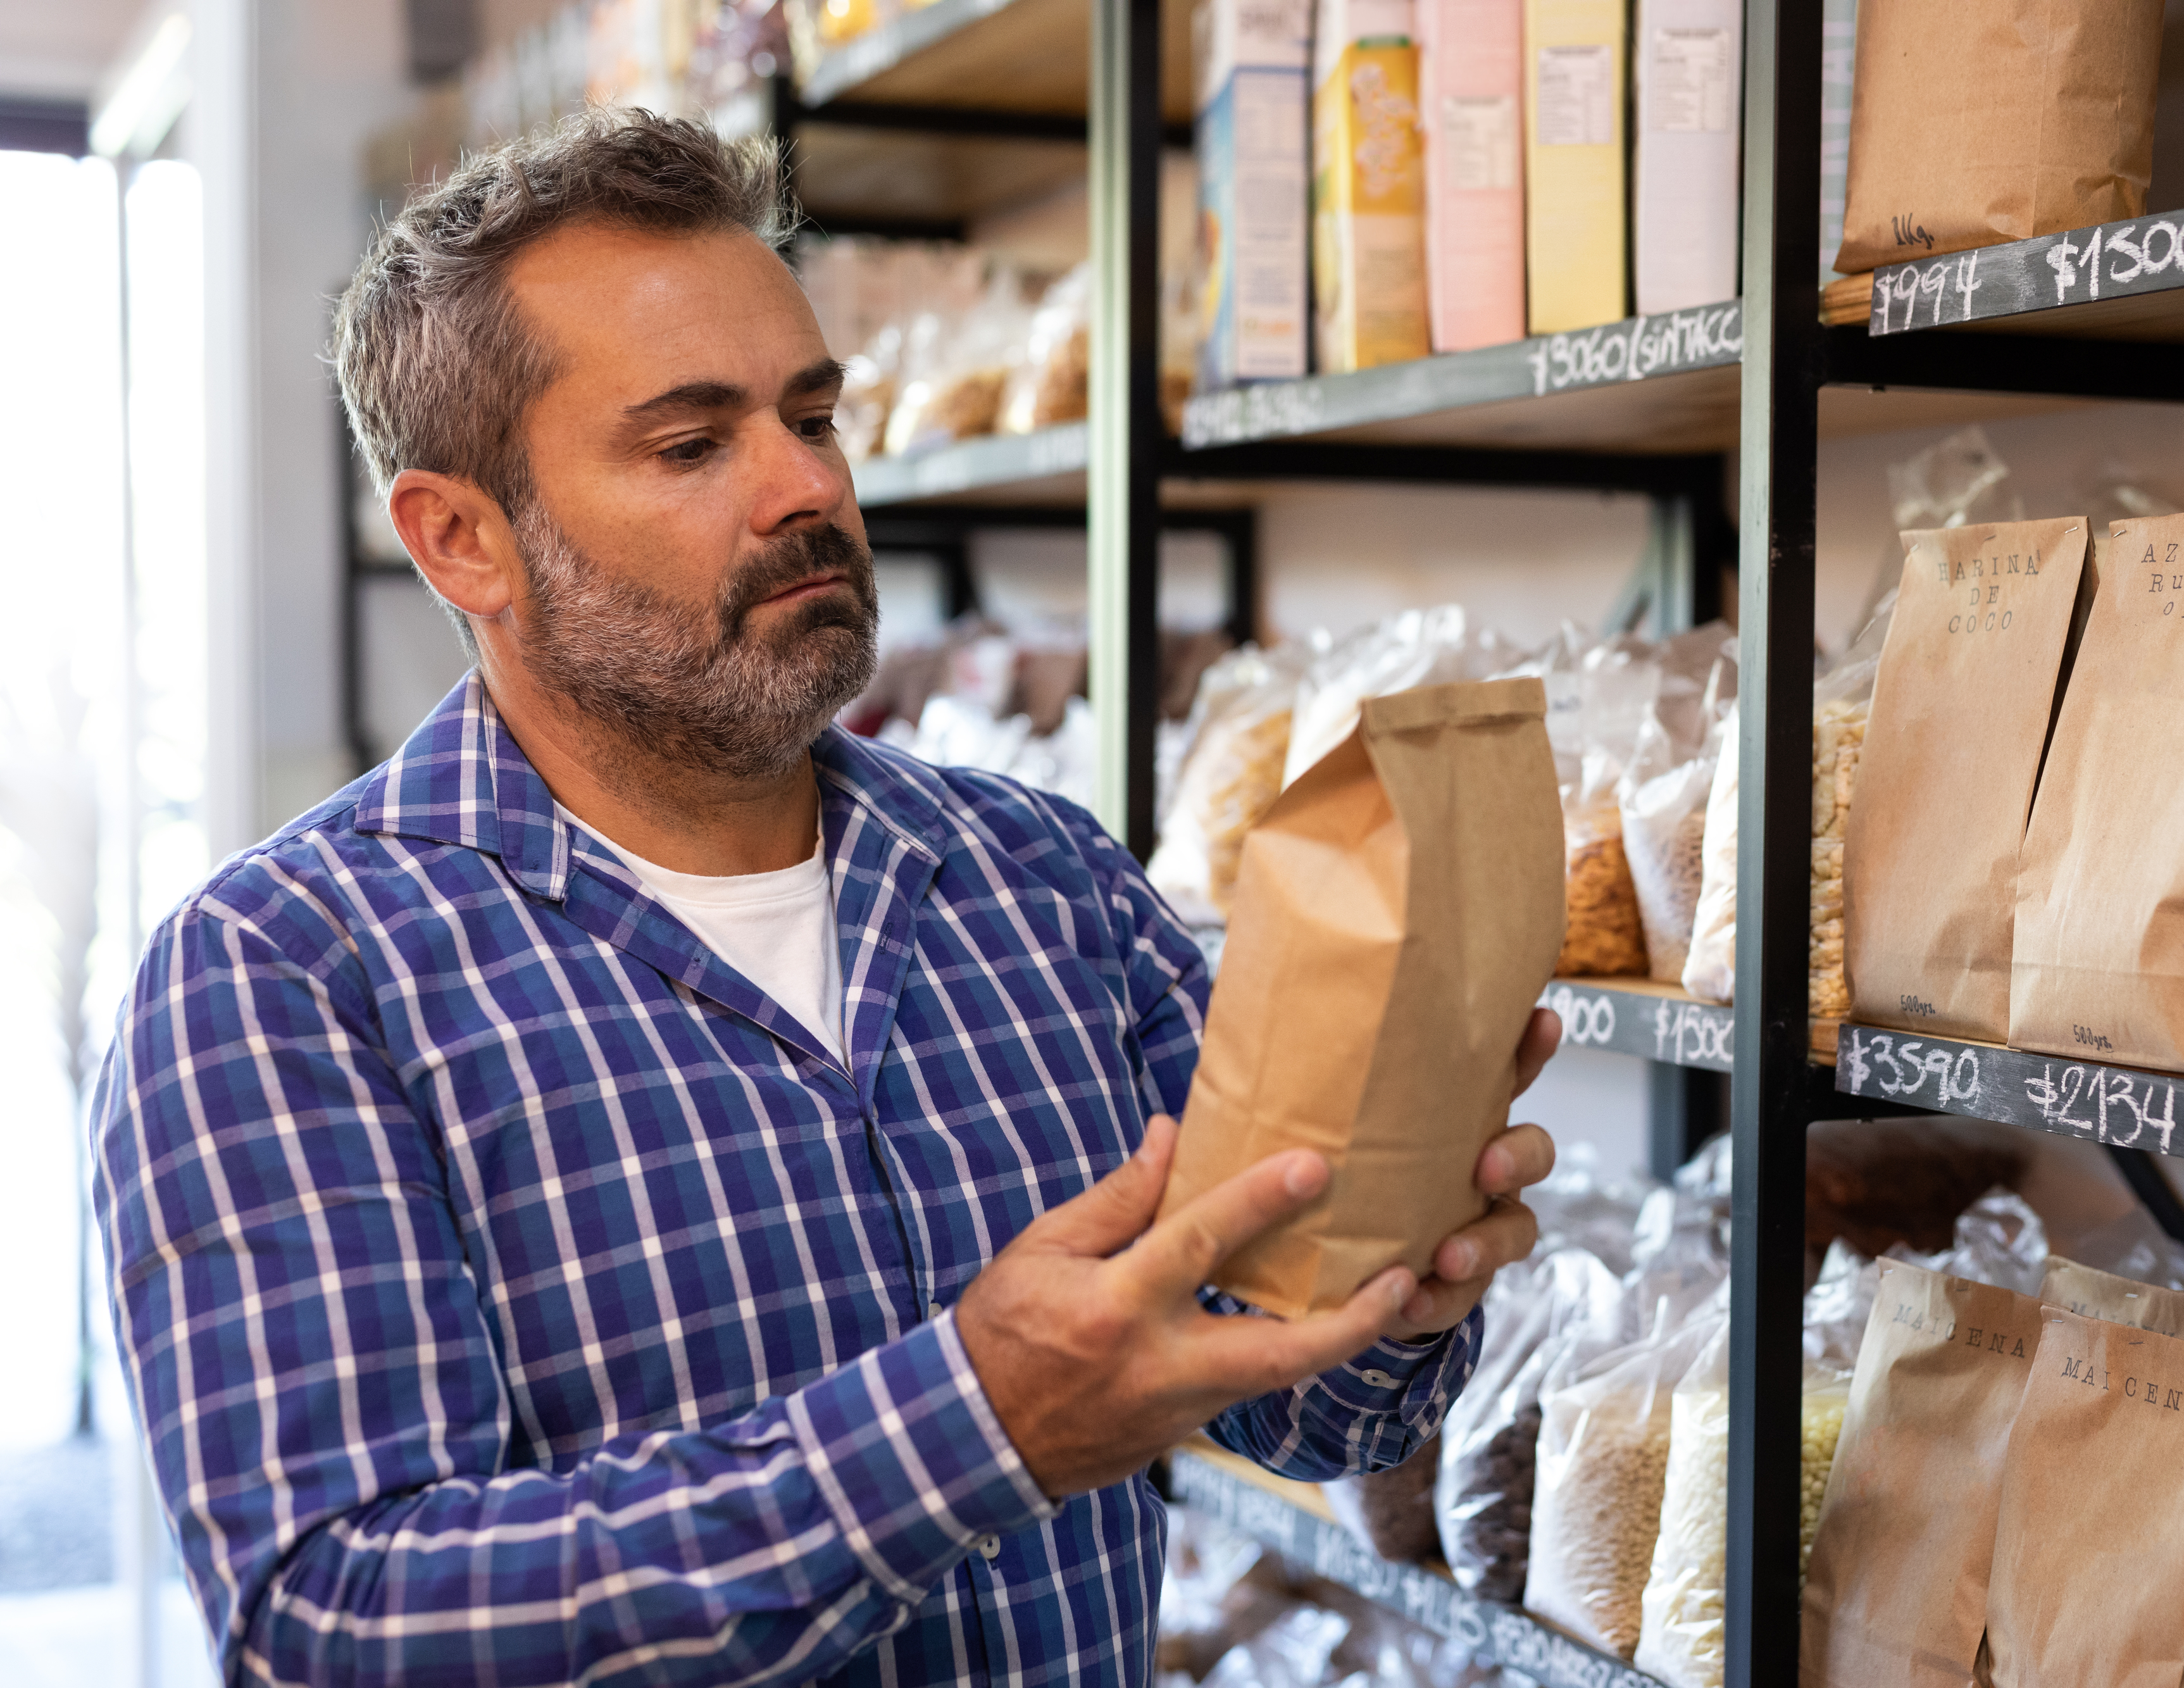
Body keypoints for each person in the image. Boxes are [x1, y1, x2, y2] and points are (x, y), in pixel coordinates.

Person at [89, 109, 1559, 1687]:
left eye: (813, 415)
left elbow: (1304, 1410)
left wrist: (1402, 1261)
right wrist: (967, 1428)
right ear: (462, 539)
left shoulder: (1044, 882)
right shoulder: (280, 980)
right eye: (690, 443)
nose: (804, 488)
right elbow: (344, 1622)